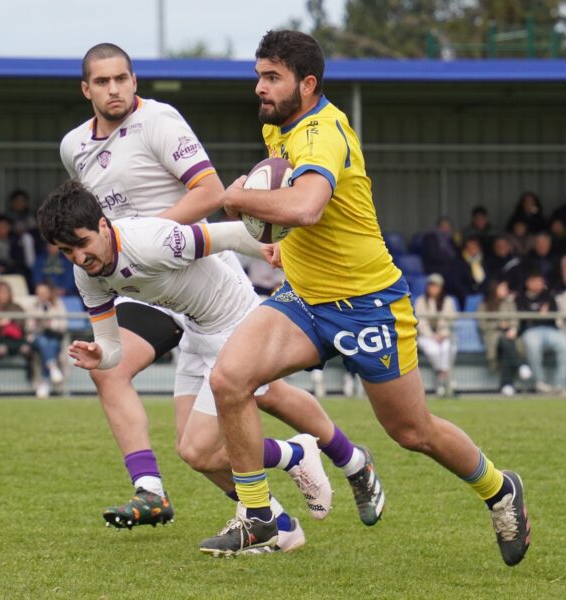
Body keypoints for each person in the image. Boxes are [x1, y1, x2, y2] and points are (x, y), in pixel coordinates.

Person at [202, 31, 530, 565]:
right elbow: (301, 211)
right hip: (305, 300)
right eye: (259, 76)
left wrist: (239, 196)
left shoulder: (323, 133)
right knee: (229, 380)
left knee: (412, 431)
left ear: (307, 84)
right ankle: (258, 516)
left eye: (273, 78)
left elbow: (306, 206)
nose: (260, 87)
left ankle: (499, 489)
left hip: (368, 305)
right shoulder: (277, 126)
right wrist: (281, 241)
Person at [58, 43, 367, 530]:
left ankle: (346, 458)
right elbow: (87, 223)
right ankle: (157, 491)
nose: (113, 89)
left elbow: (210, 192)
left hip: (189, 267)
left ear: (134, 81)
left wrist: (147, 238)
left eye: (121, 78)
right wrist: (125, 255)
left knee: (261, 397)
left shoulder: (159, 122)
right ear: (86, 89)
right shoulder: (73, 147)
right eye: (102, 81)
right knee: (118, 378)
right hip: (145, 282)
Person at [38, 181, 382, 548]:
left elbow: (232, 235)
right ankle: (283, 527)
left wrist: (283, 252)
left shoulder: (151, 241)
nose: (78, 257)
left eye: (83, 244)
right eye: (67, 251)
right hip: (196, 329)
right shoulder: (86, 274)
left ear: (103, 226)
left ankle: (296, 458)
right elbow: (110, 345)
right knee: (196, 454)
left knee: (208, 444)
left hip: (237, 323)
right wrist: (101, 356)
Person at [516, 272, 566, 395]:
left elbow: (553, 315)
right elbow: (523, 319)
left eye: (540, 281)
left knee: (565, 345)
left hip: (550, 329)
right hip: (530, 331)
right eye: (535, 281)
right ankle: (540, 383)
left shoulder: (549, 296)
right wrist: (539, 315)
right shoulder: (520, 298)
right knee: (533, 346)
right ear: (528, 283)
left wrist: (538, 316)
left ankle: (560, 384)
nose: (538, 284)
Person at [478, 280, 531, 396]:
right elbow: (483, 325)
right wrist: (498, 325)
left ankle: (506, 385)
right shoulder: (484, 304)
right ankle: (521, 365)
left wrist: (513, 329)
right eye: (503, 288)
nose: (506, 291)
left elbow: (515, 320)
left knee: (507, 348)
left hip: (509, 335)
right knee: (504, 341)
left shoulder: (510, 303)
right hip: (492, 335)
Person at [413, 273, 457, 396]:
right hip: (426, 336)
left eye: (436, 286)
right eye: (431, 285)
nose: (433, 288)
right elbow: (420, 323)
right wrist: (432, 336)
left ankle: (441, 378)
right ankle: (445, 377)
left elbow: (449, 321)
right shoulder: (421, 301)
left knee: (449, 348)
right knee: (434, 350)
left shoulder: (448, 301)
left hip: (444, 335)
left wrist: (442, 334)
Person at [26, 281, 68, 398]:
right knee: (43, 341)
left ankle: (44, 382)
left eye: (44, 292)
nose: (42, 295)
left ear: (50, 293)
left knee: (51, 344)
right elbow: (28, 326)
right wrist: (38, 323)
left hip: (54, 336)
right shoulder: (32, 305)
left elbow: (63, 325)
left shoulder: (58, 304)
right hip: (36, 337)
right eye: (39, 293)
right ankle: (52, 367)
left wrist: (51, 324)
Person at [0, 281, 34, 382]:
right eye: (1, 292)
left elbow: (22, 326)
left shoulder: (17, 307)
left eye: (6, 292)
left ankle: (31, 380)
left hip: (17, 340)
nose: (3, 295)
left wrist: (10, 321)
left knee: (27, 349)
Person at [0, 214, 33, 285]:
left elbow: (19, 259)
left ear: (9, 227)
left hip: (11, 267)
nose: (1, 229)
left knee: (23, 273)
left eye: (4, 226)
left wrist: (6, 268)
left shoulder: (16, 240)